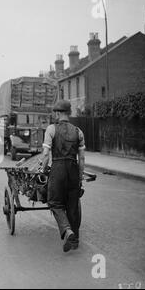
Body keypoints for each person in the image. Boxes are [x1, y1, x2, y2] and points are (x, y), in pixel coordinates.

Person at [41, 100, 85, 252]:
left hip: (58, 169)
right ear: (69, 113)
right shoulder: (78, 131)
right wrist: (79, 177)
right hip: (73, 169)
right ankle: (75, 241)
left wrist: (42, 169)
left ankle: (67, 230)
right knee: (72, 205)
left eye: (55, 113)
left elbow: (46, 154)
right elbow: (82, 158)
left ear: (58, 113)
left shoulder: (51, 129)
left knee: (54, 202)